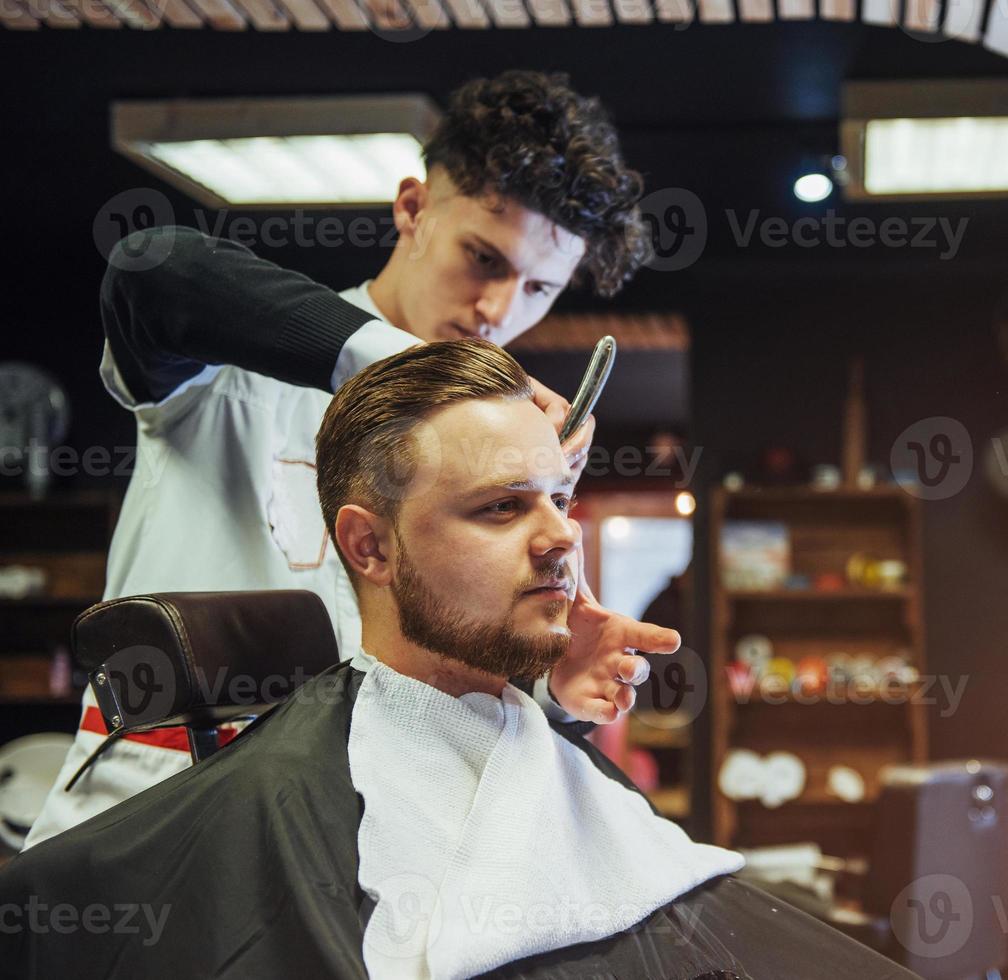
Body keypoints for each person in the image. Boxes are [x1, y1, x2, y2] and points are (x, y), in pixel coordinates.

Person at [0, 339, 920, 980]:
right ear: (369, 548)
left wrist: (550, 698)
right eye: (500, 507)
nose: (562, 534)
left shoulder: (519, 727)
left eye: (558, 496)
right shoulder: (292, 806)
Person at [25, 69, 675, 849]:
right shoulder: (226, 377)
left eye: (539, 285)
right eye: (483, 259)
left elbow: (441, 649)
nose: (501, 311)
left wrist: (553, 681)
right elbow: (150, 268)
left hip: (330, 851)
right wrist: (396, 364)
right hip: (148, 829)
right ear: (412, 209)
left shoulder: (495, 451)